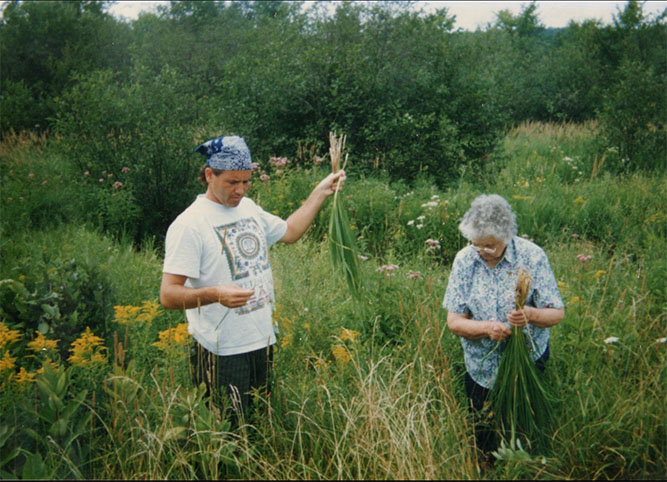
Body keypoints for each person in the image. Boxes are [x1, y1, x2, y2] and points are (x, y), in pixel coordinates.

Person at [160, 135, 345, 427]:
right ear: (209, 175)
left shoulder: (248, 208)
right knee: (226, 433)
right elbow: (168, 294)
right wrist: (216, 293)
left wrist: (321, 191)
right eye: (232, 182)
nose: (241, 190)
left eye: (246, 182)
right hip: (221, 351)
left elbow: (290, 231)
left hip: (261, 339)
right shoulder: (189, 225)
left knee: (257, 425)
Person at [442, 194, 564, 459]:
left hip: (527, 363)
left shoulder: (532, 256)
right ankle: (488, 468)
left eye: (490, 245)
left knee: (524, 427)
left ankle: (524, 466)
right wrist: (487, 328)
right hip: (481, 369)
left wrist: (530, 314)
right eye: (477, 245)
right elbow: (454, 321)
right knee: (484, 430)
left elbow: (557, 313)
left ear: (507, 236)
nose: (482, 252)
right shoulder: (464, 261)